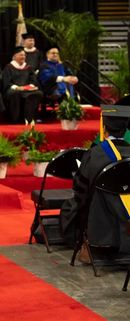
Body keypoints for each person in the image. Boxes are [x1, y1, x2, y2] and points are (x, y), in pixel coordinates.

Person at [62, 104, 130, 260]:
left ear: (104, 128)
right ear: (125, 129)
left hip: (101, 219)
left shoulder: (95, 154)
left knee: (72, 206)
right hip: (127, 215)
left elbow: (81, 191)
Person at [1, 47, 42, 125]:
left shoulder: (28, 67)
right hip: (13, 89)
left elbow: (33, 79)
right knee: (14, 93)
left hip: (27, 89)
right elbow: (6, 82)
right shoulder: (8, 67)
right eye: (20, 55)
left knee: (38, 93)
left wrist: (31, 86)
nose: (23, 57)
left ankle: (29, 119)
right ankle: (15, 119)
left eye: (24, 55)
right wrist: (17, 87)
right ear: (14, 57)